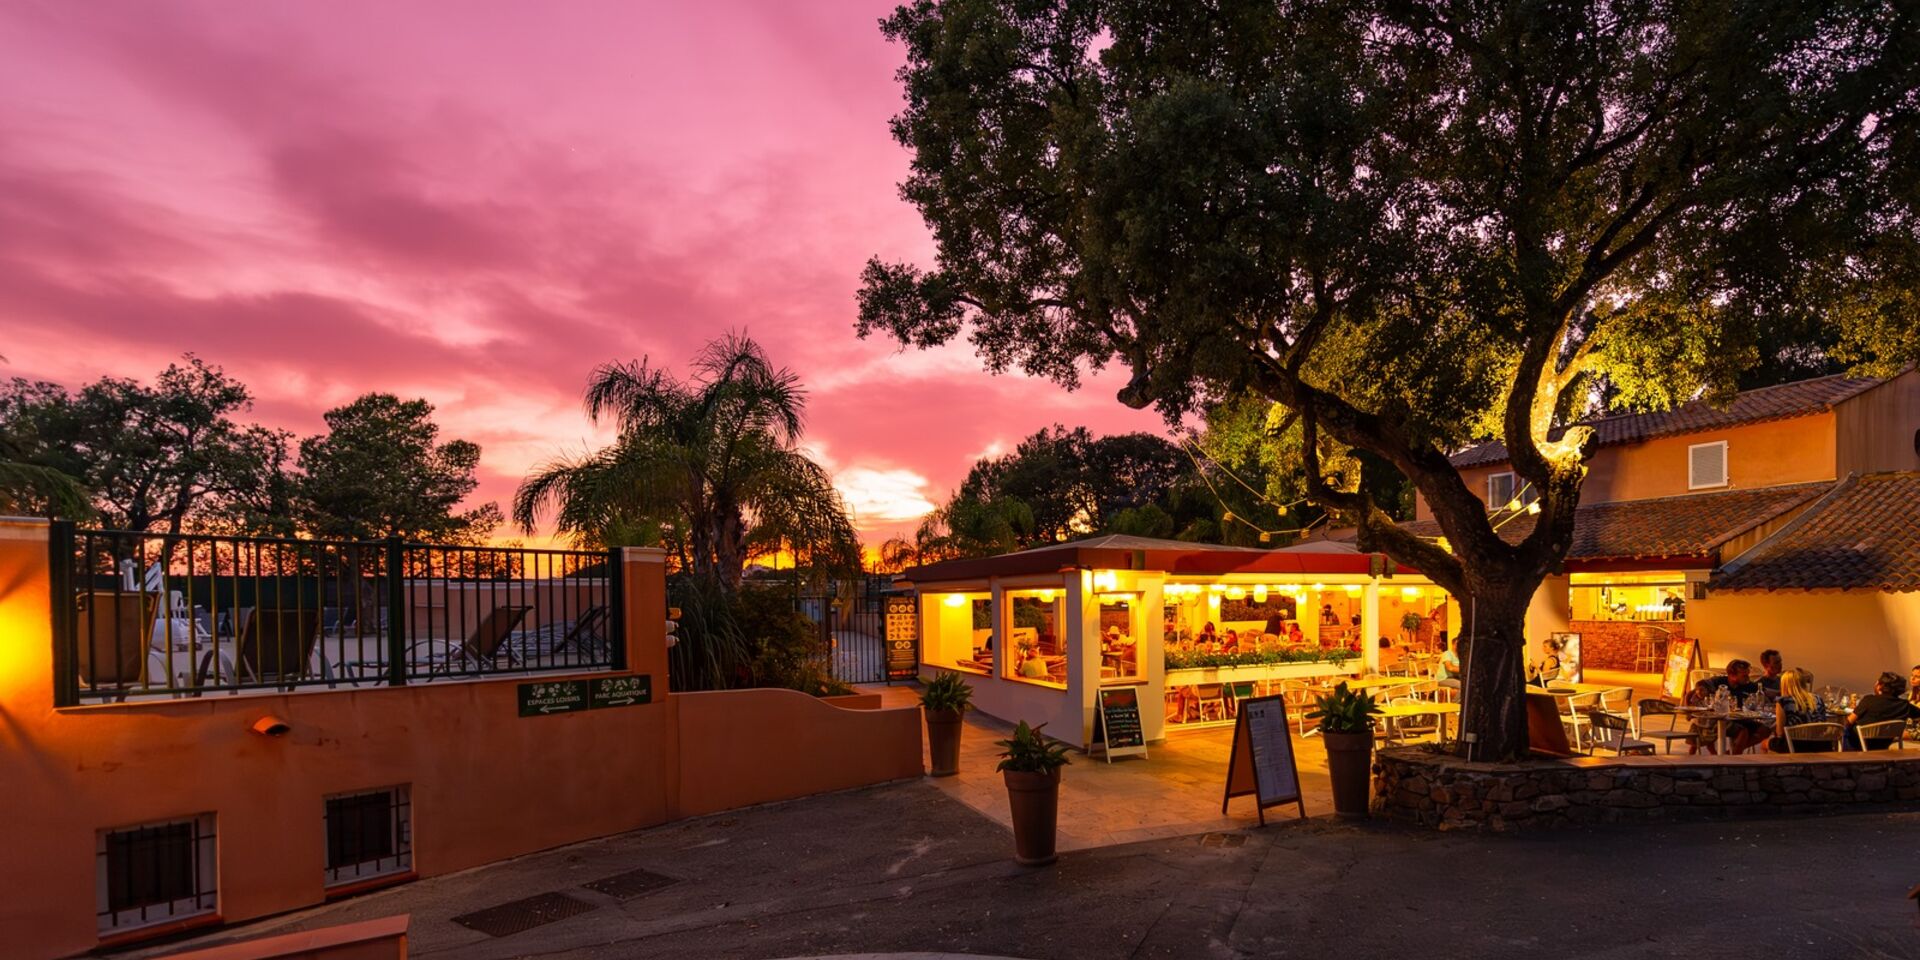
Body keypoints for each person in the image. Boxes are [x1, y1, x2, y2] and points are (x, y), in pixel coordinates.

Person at [1703, 659, 1768, 753]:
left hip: (1740, 718)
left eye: (1748, 675)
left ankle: (1732, 753)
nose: (1748, 678)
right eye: (1744, 676)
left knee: (1765, 730)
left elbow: (1767, 692)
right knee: (1743, 732)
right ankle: (1735, 758)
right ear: (1732, 675)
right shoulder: (1719, 682)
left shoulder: (1748, 685)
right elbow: (1698, 687)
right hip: (1720, 719)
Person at [1844, 671, 1920, 750]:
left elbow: (1849, 721)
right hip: (1884, 745)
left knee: (1843, 731)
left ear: (1880, 686)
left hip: (1859, 744)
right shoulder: (1905, 705)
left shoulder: (1869, 700)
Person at [1768, 668, 1830, 753]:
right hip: (1821, 745)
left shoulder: (1783, 701)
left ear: (1784, 684)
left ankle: (1772, 765)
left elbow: (1780, 733)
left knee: (1766, 743)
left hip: (1795, 746)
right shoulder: (1818, 698)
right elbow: (1824, 727)